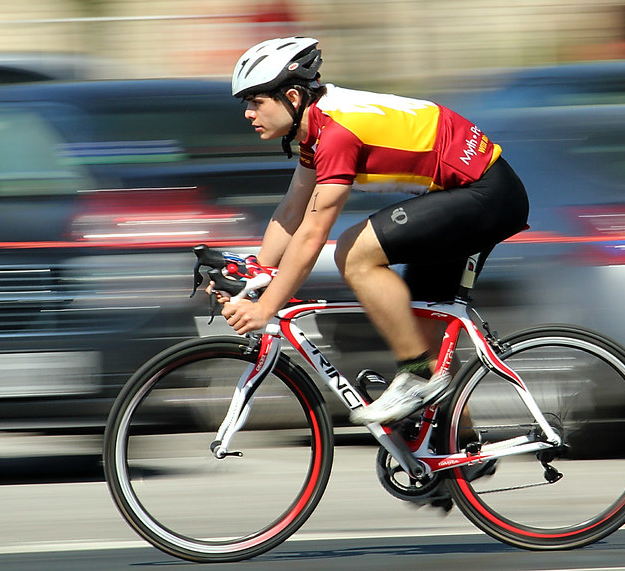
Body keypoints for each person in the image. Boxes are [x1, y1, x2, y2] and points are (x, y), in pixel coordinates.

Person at [217, 36, 529, 426]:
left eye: (256, 101)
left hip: (485, 193)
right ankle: (456, 460)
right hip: (462, 193)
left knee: (353, 251)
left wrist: (265, 307)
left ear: (293, 98)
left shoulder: (336, 133)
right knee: (429, 353)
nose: (248, 113)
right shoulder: (317, 127)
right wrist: (256, 270)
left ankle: (414, 377)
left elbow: (313, 232)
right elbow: (293, 207)